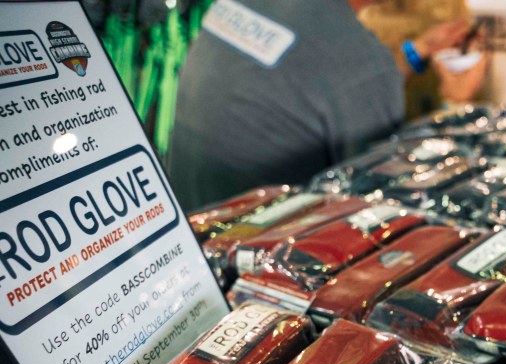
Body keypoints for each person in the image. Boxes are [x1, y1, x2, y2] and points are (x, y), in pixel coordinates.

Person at [168, 0, 479, 211]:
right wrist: (457, 102)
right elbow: (389, 202)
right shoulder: (359, 61)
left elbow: (322, 82)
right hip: (264, 262)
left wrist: (418, 51)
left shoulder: (245, 4)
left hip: (191, 220)